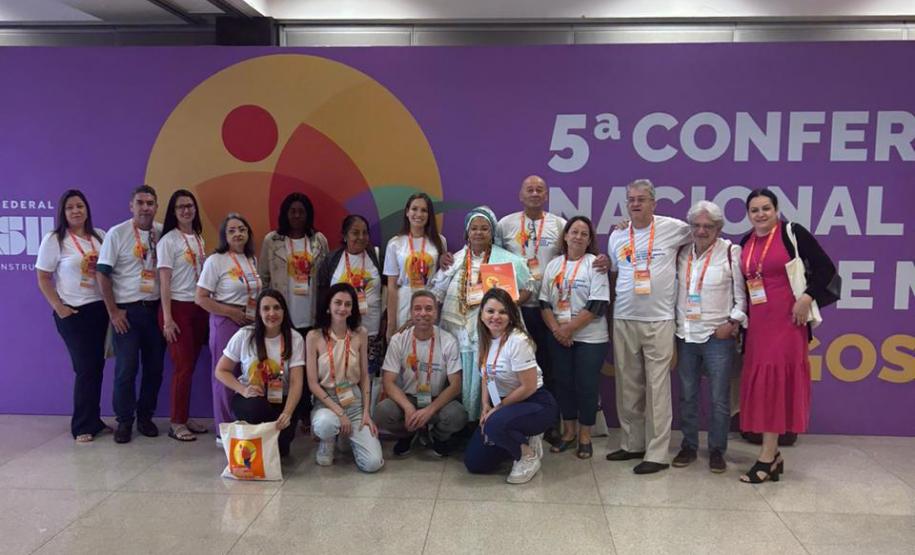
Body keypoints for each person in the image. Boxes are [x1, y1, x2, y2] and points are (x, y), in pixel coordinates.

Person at [738, 188, 837, 483]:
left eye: (766, 208)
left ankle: (767, 456)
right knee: (761, 386)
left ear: (776, 209)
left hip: (787, 322)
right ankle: (774, 455)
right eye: (754, 210)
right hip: (758, 325)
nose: (760, 214)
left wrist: (807, 298)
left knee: (775, 387)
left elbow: (826, 269)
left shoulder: (792, 233)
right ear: (748, 214)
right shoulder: (746, 241)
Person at [606, 179, 691, 474]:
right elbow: (617, 274)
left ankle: (657, 453)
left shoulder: (673, 228)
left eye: (642, 199)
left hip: (659, 319)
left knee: (657, 388)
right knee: (628, 385)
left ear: (654, 203)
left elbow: (704, 232)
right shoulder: (617, 236)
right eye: (631, 199)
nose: (636, 204)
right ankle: (632, 444)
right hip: (625, 317)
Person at [430, 206, 532, 420]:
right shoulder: (455, 259)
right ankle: (456, 426)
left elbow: (528, 290)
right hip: (456, 331)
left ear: (491, 232)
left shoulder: (508, 260)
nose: (478, 232)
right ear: (467, 232)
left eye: (484, 228)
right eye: (474, 228)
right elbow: (436, 292)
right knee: (456, 376)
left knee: (485, 375)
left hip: (488, 332)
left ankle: (483, 422)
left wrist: (508, 304)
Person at [671, 201, 746, 473]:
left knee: (718, 398)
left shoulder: (730, 253)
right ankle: (689, 445)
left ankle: (717, 450)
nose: (701, 231)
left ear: (719, 228)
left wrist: (732, 322)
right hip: (685, 334)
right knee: (687, 395)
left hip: (717, 336)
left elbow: (742, 297)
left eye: (708, 226)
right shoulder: (681, 253)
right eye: (697, 226)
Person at [36, 189, 110, 443]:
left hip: (99, 310)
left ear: (87, 208)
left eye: (80, 206)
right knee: (85, 368)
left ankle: (95, 420)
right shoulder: (55, 239)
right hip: (73, 312)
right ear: (63, 213)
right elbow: (43, 277)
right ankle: (81, 426)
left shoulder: (99, 236)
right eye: (70, 208)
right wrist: (59, 307)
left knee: (97, 367)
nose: (76, 211)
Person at [496, 175, 566, 441]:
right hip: (515, 308)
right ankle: (516, 420)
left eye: (540, 189)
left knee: (549, 366)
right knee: (516, 368)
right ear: (520, 195)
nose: (535, 193)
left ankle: (550, 423)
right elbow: (492, 256)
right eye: (530, 189)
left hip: (549, 307)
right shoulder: (506, 224)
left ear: (546, 195)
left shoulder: (559, 225)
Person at [463, 288, 558, 484]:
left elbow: (529, 387)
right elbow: (485, 376)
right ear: (481, 314)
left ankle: (527, 455)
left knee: (494, 423)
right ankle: (517, 437)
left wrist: (497, 409)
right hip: (506, 405)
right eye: (490, 311)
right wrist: (485, 406)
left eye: (502, 312)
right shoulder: (486, 338)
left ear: (511, 315)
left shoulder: (518, 340)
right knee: (475, 463)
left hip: (535, 402)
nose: (496, 317)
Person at [96, 184, 166, 444]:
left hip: (155, 310)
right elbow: (102, 273)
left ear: (156, 206)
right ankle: (124, 421)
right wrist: (113, 311)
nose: (145, 207)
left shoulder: (162, 232)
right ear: (131, 206)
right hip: (127, 312)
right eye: (140, 202)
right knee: (126, 369)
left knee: (155, 368)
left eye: (150, 203)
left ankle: (145, 417)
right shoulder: (117, 233)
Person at [539, 216, 610, 459]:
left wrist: (567, 330)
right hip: (558, 336)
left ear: (590, 240)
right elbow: (544, 302)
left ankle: (585, 435)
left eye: (584, 233)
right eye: (574, 232)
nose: (578, 236)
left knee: (586, 387)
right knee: (563, 384)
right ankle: (568, 432)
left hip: (590, 338)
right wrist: (558, 331)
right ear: (566, 235)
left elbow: (597, 305)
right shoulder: (553, 265)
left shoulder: (596, 265)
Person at [375, 290, 468, 457]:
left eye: (428, 308)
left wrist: (430, 410)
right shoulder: (399, 339)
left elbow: (455, 385)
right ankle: (408, 434)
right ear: (411, 312)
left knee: (457, 415)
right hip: (409, 397)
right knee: (382, 411)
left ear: (436, 313)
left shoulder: (448, 341)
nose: (423, 313)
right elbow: (388, 382)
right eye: (417, 308)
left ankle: (437, 436)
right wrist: (408, 407)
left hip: (436, 399)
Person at [214, 289, 304, 457]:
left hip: (281, 399)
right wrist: (243, 389)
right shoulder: (244, 335)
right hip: (251, 398)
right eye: (266, 308)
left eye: (277, 308)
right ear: (259, 312)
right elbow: (220, 370)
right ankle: (253, 441)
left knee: (281, 450)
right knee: (256, 408)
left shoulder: (295, 338)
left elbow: (296, 382)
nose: (272, 313)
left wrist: (288, 412)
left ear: (284, 310)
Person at [196, 213, 262, 443]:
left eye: (242, 229)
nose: (238, 234)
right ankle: (223, 429)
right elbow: (201, 298)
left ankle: (242, 421)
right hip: (225, 320)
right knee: (224, 374)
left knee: (246, 372)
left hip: (250, 321)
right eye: (232, 230)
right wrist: (230, 312)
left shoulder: (251, 259)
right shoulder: (216, 260)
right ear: (225, 235)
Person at [305, 283, 384, 472]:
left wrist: (366, 412)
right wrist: (339, 413)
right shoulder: (314, 336)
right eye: (337, 303)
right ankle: (328, 439)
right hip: (327, 401)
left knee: (372, 464)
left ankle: (345, 438)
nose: (342, 308)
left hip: (354, 401)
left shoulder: (360, 334)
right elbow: (313, 384)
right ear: (328, 305)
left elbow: (365, 376)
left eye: (347, 304)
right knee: (326, 424)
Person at [156, 189, 209, 441]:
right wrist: (167, 318)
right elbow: (164, 283)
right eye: (180, 207)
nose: (186, 210)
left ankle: (185, 416)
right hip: (177, 309)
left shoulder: (198, 237)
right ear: (173, 212)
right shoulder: (168, 241)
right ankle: (176, 422)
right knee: (183, 367)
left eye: (190, 206)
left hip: (199, 308)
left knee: (191, 365)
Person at [317, 214, 385, 377]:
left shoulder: (376, 256)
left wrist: (385, 321)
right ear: (345, 235)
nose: (361, 237)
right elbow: (322, 295)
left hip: (372, 332)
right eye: (355, 232)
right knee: (342, 375)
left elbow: (387, 289)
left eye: (364, 233)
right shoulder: (332, 260)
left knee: (369, 378)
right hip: (340, 332)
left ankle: (368, 403)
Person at [259, 192, 328, 332]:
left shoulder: (319, 240)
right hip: (280, 315)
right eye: (293, 211)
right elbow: (263, 279)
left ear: (308, 214)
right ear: (285, 214)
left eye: (302, 212)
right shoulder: (272, 241)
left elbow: (326, 279)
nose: (297, 215)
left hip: (312, 314)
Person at [383, 193, 448, 340]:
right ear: (407, 212)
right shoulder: (395, 243)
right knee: (404, 346)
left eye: (424, 210)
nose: (419, 214)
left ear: (429, 214)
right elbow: (391, 286)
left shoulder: (439, 241)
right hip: (404, 300)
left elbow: (442, 277)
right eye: (414, 209)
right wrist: (391, 323)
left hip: (430, 298)